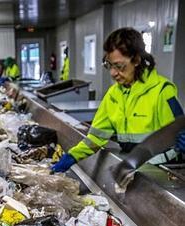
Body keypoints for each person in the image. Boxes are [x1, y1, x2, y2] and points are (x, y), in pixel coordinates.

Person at [52, 28, 184, 173]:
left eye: (119, 66)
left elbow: (177, 135)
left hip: (161, 171)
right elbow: (96, 137)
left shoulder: (162, 91)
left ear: (136, 60)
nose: (113, 73)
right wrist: (72, 156)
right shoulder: (113, 95)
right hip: (133, 170)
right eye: (109, 65)